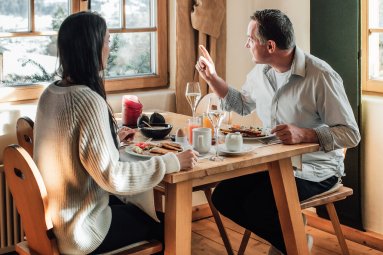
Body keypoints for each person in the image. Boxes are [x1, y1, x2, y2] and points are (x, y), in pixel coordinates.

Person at [196, 9, 360, 254]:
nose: (246, 44)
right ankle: (294, 242)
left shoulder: (320, 76)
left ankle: (292, 244)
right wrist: (213, 78)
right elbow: (241, 104)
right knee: (223, 197)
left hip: (315, 169)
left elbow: (351, 134)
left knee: (258, 205)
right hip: (272, 163)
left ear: (270, 46)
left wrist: (305, 135)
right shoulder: (260, 73)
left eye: (251, 40)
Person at [33, 12, 198, 254]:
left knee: (138, 209)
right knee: (167, 225)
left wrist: (110, 140)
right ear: (92, 47)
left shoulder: (49, 94)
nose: (110, 48)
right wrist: (173, 161)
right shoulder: (88, 101)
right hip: (81, 232)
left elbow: (69, 149)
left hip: (59, 218)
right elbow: (114, 178)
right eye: (107, 41)